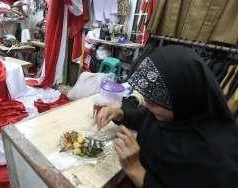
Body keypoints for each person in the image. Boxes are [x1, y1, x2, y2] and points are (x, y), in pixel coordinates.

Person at [95, 45, 238, 188]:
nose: (146, 105)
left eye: (153, 103)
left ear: (182, 99)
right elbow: (145, 118)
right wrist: (120, 113)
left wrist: (135, 169)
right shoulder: (177, 114)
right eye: (147, 99)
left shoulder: (219, 162)